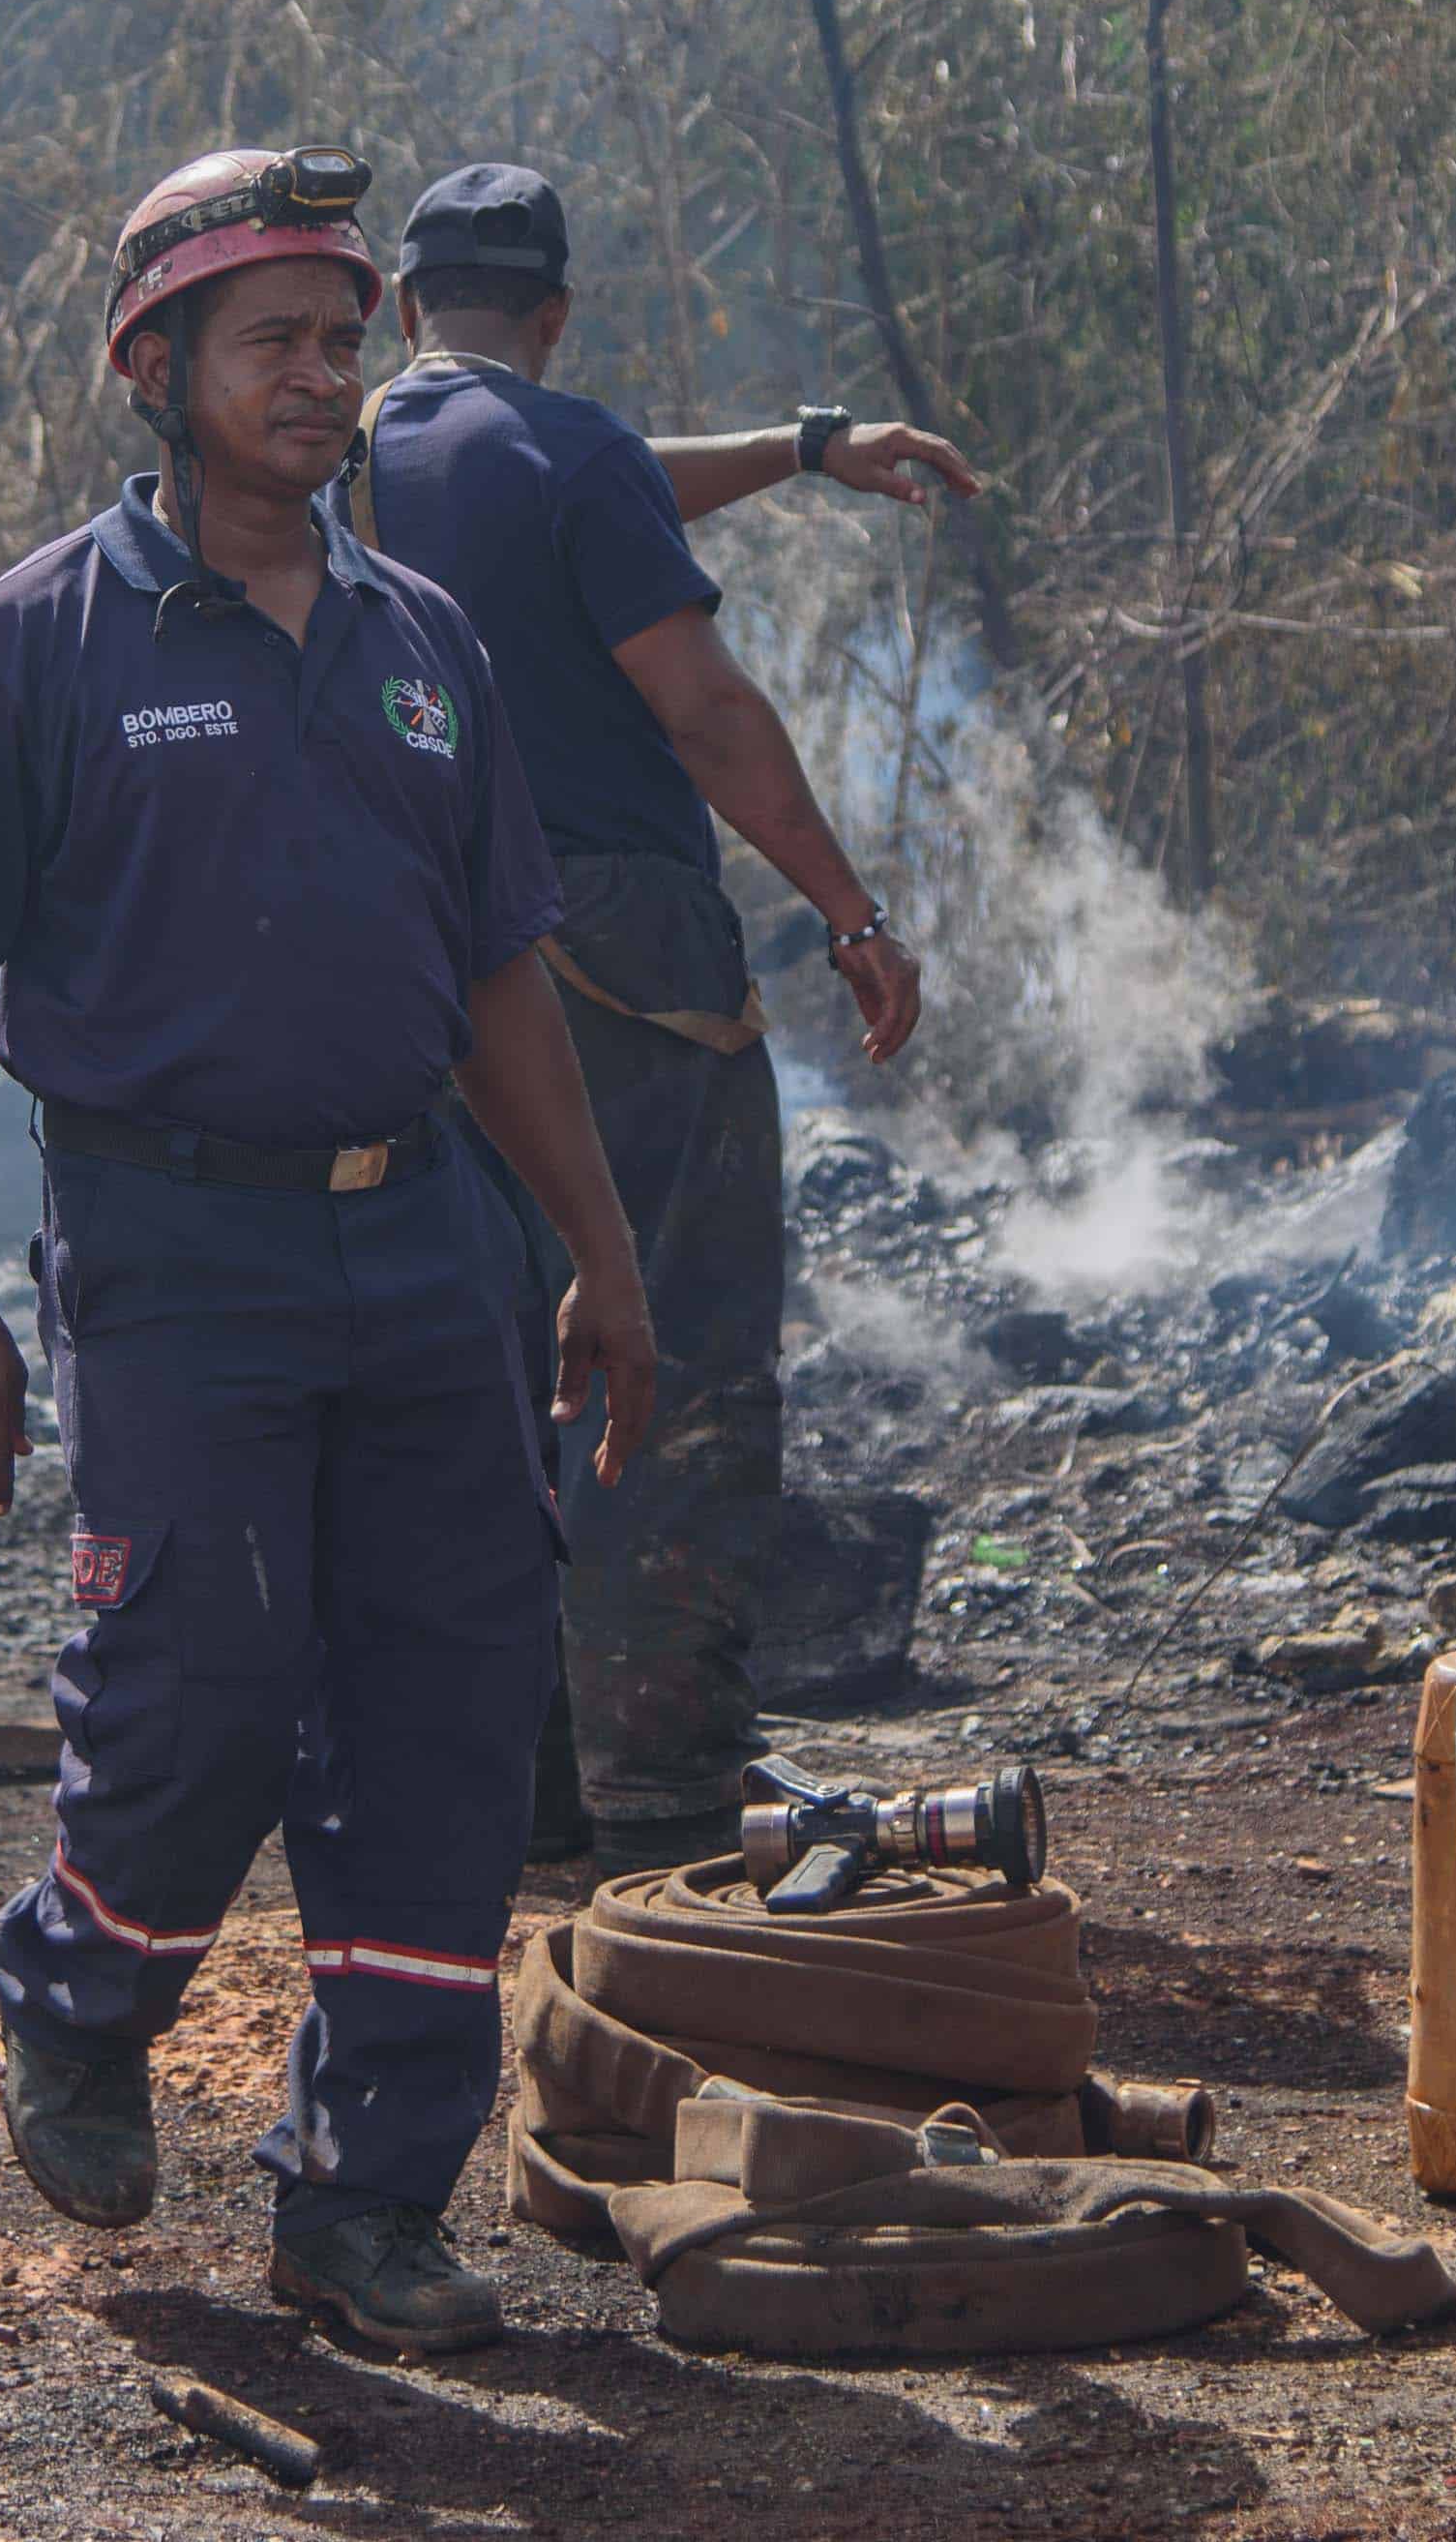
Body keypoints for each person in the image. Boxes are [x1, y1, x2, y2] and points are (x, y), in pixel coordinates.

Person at [0, 147, 662, 2356]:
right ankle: (80, 1981)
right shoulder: (30, 646)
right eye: (272, 342)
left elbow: (502, 981)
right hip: (170, 1240)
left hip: (428, 1242)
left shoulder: (425, 647)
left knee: (442, 1711)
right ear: (155, 368)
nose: (323, 379)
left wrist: (595, 1255)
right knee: (201, 1674)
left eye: (343, 337)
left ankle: (363, 2196)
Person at [354, 162, 984, 1858]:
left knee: (479, 1360)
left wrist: (800, 449)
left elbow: (597, 481)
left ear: (407, 310)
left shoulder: (326, 465)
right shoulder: (560, 451)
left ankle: (520, 1789)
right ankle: (664, 1789)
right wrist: (849, 909)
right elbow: (700, 707)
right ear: (551, 318)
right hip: (606, 945)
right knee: (674, 1356)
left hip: (394, 958)